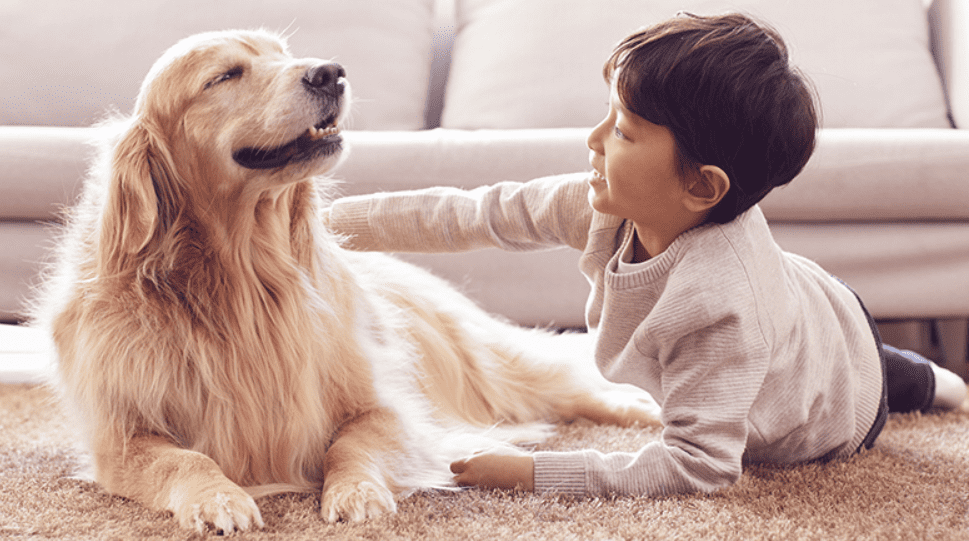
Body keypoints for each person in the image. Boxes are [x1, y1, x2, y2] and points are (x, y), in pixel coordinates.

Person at [324, 13, 967, 496]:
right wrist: (326, 222)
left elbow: (698, 465)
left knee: (896, 380)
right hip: (810, 299)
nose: (593, 139)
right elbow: (476, 212)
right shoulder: (605, 201)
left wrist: (531, 471)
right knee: (818, 340)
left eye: (624, 131)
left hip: (843, 389)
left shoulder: (720, 306)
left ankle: (931, 381)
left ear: (700, 185)